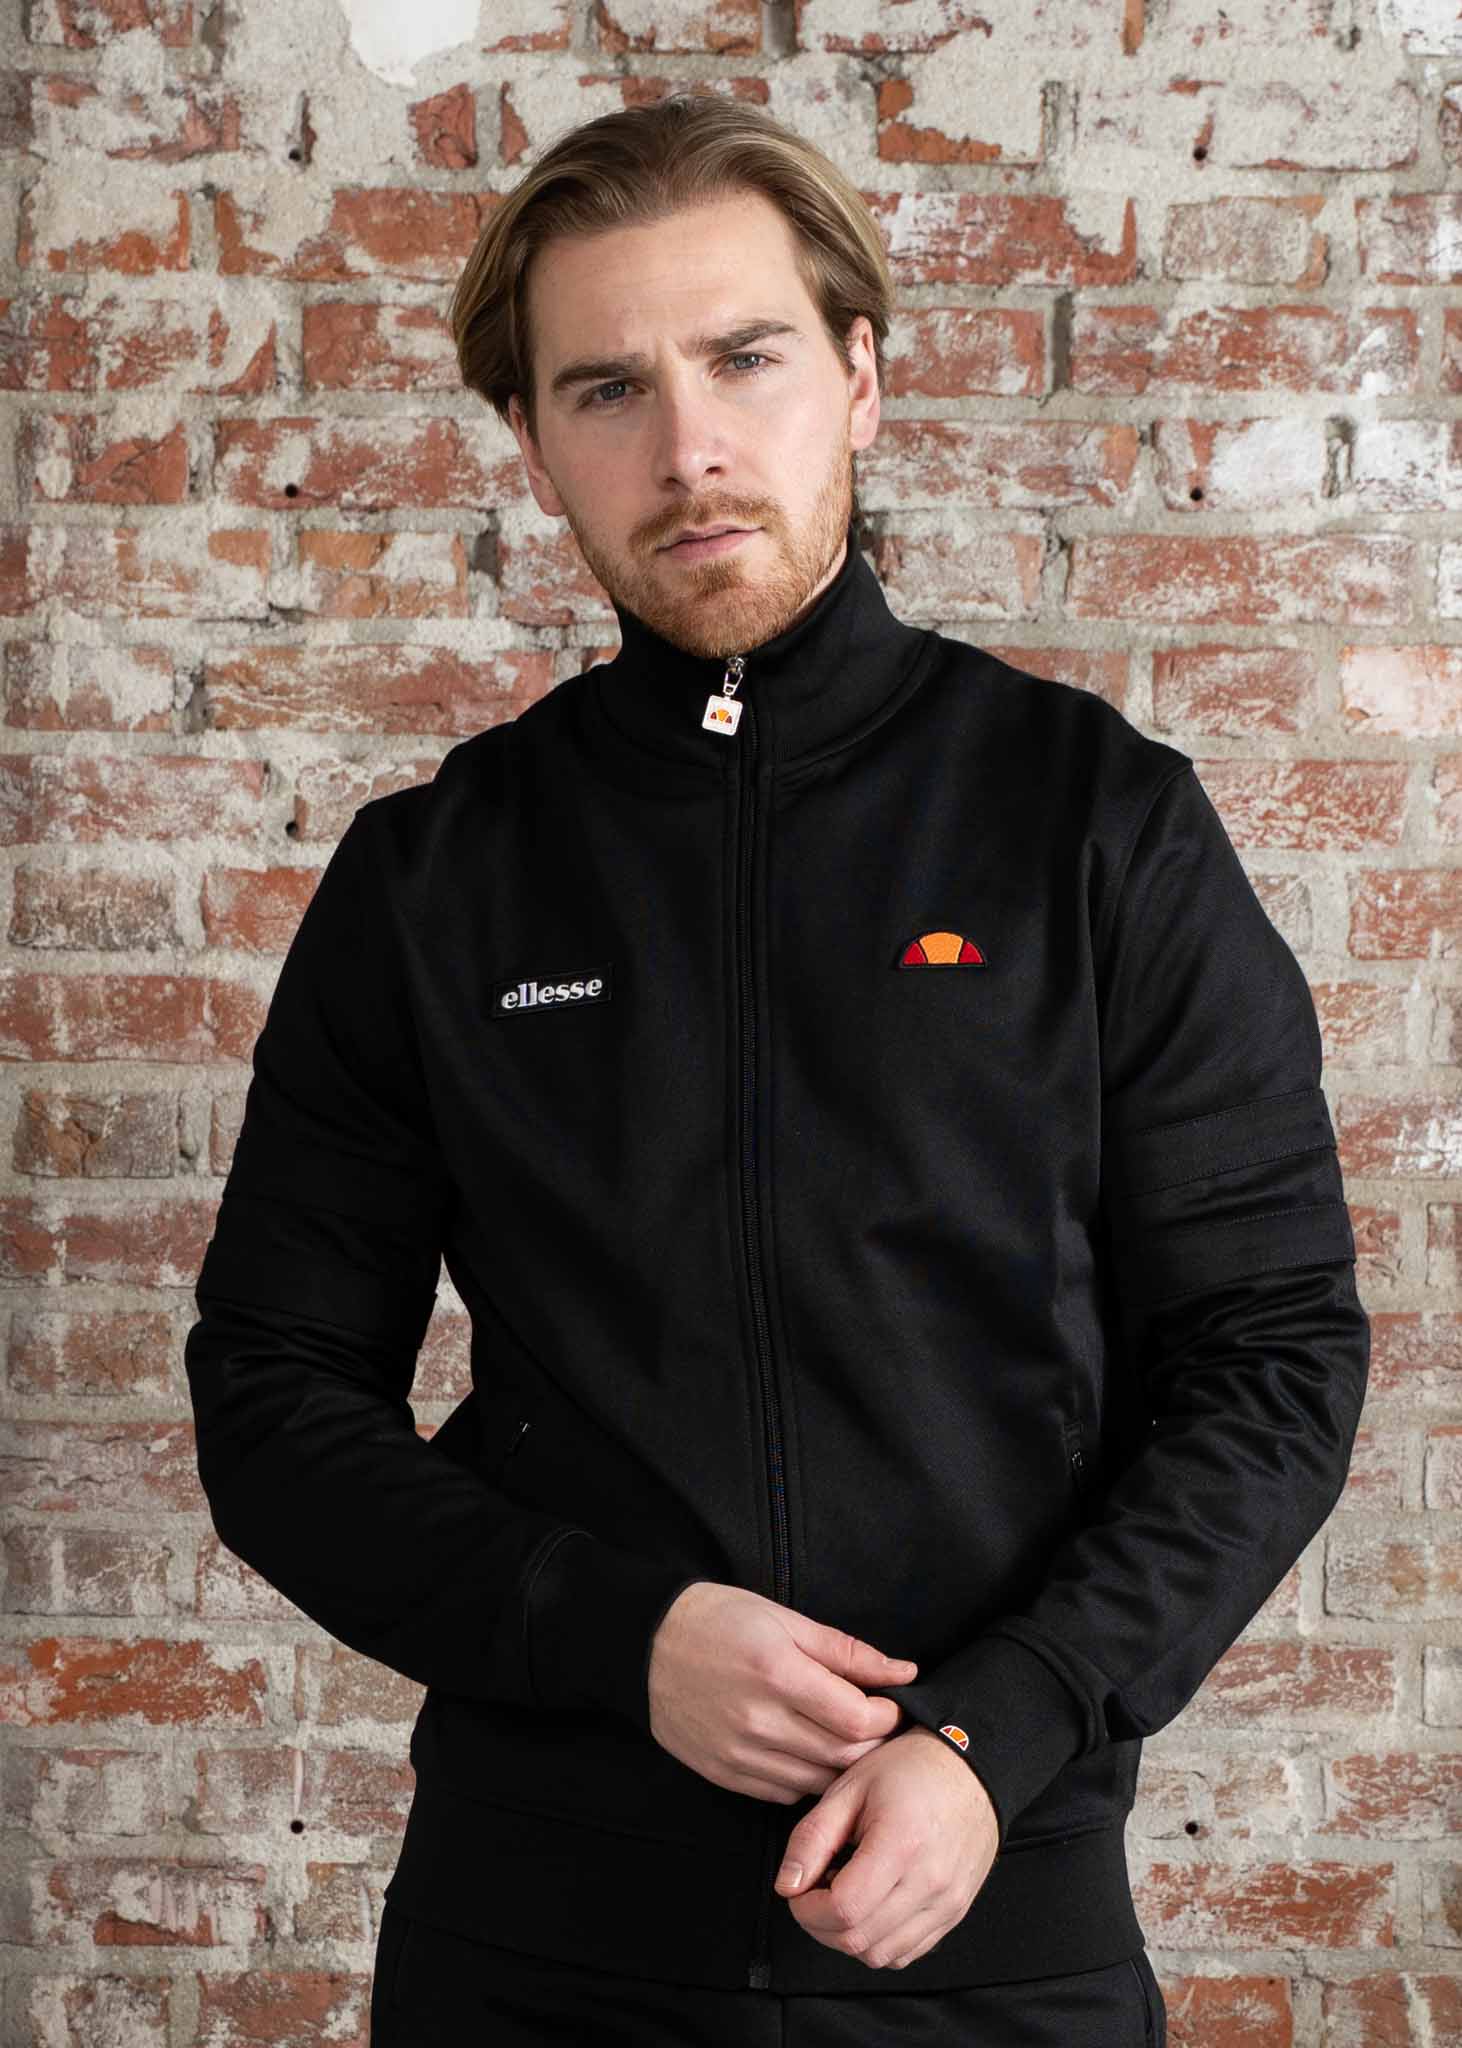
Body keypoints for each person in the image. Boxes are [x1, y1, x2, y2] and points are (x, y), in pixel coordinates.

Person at [183, 93, 1370, 2045]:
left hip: (991, 1942)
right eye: (606, 389)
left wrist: (997, 1731)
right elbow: (271, 1396)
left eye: (743, 358)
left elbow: (1270, 1355)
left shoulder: (1092, 825)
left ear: (857, 377)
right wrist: (616, 1632)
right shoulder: (434, 878)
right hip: (533, 1952)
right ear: (532, 445)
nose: (688, 449)